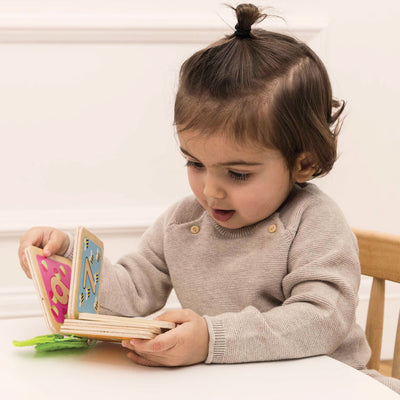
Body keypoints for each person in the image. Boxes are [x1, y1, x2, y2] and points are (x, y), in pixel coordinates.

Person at [18, 3, 400, 393]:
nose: (210, 190)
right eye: (194, 163)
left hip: (326, 385)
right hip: (226, 385)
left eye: (238, 174)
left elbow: (322, 320)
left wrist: (211, 338)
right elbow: (133, 292)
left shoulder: (313, 222)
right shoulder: (183, 222)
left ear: (303, 163)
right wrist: (67, 260)